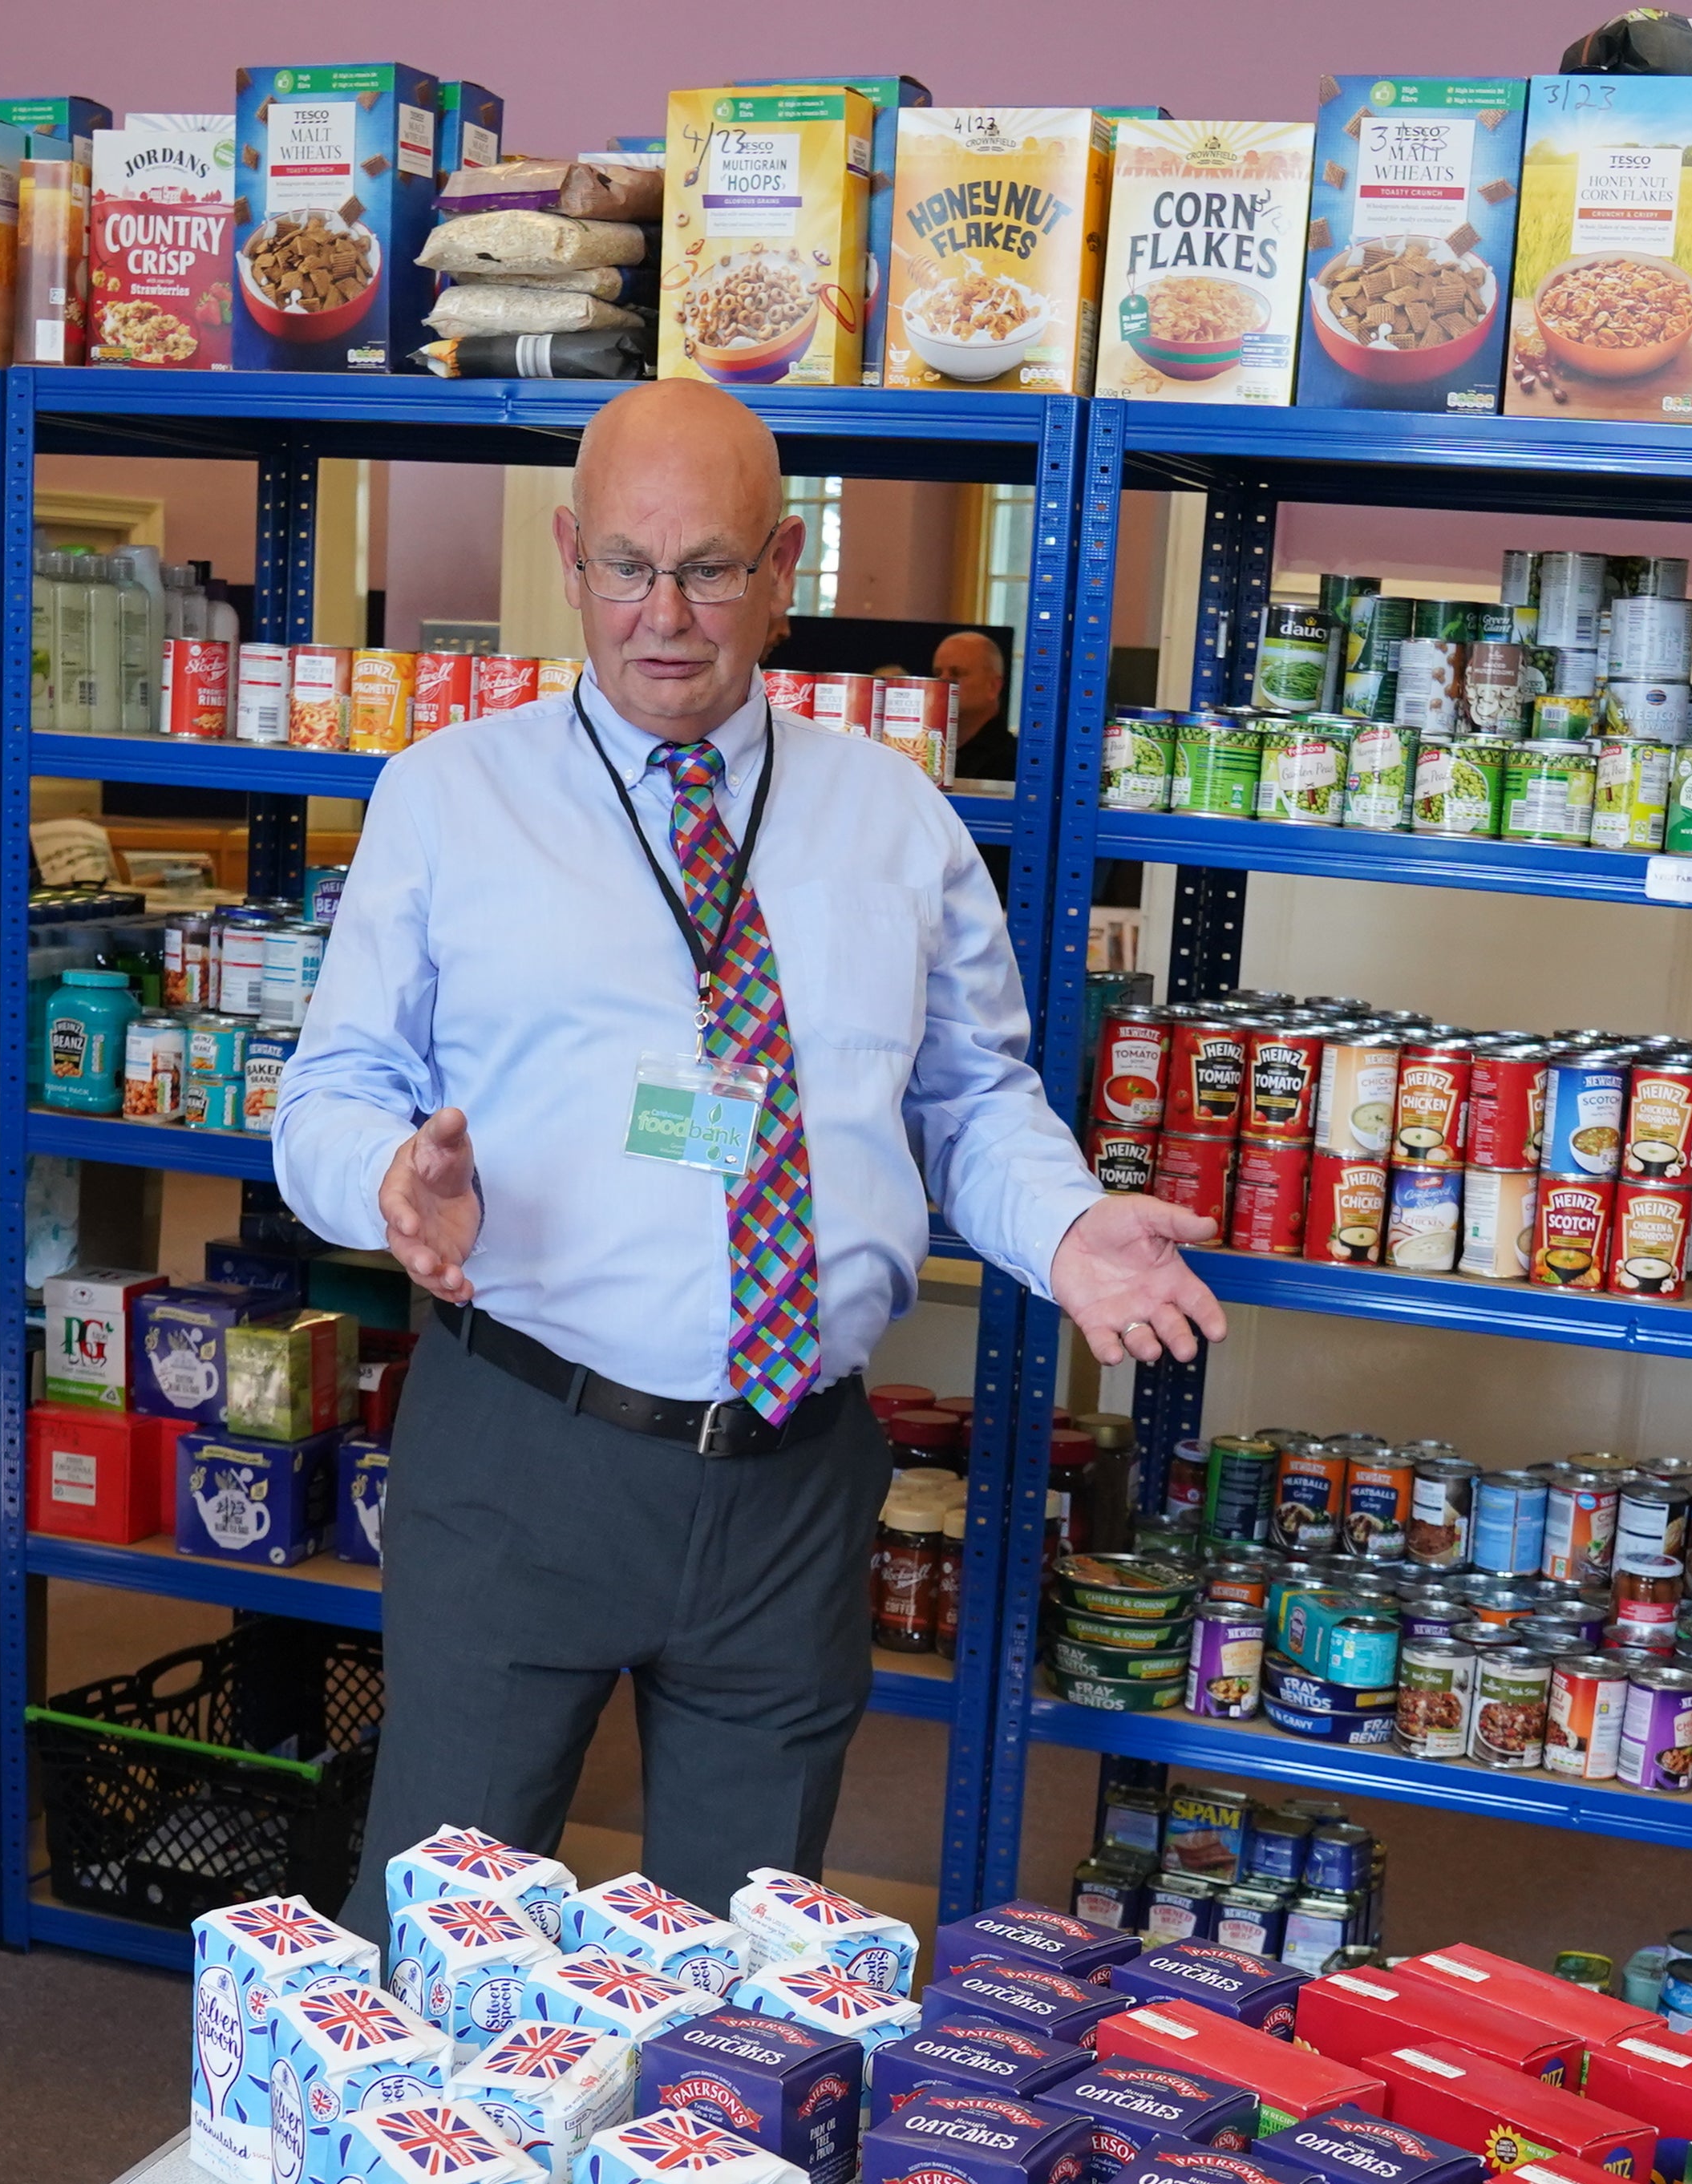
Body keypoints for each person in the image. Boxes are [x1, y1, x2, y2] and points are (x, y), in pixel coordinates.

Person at [274, 381, 1217, 1924]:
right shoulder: (449, 798)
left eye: (710, 568)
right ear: (571, 560)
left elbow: (971, 1097)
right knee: (449, 1941)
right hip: (527, 1451)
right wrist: (382, 1176)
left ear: (784, 570)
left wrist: (1061, 1232)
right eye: (629, 569)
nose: (666, 616)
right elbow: (331, 1089)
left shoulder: (894, 818)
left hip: (793, 1478)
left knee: (741, 1974)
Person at [933, 625, 1016, 784]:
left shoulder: (1012, 764)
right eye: (937, 674)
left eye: (956, 673)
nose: (943, 681)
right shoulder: (927, 753)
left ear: (993, 686)